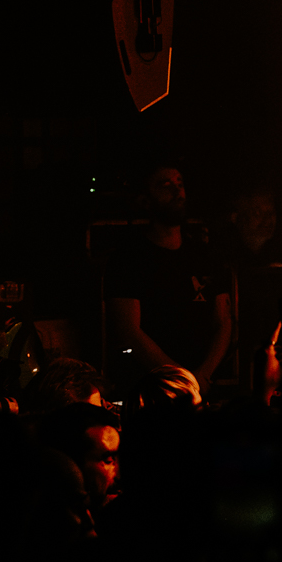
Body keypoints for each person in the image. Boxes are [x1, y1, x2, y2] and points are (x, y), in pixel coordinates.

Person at [105, 165, 234, 396]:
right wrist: (182, 378)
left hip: (205, 382)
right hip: (152, 389)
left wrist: (203, 374)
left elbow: (224, 322)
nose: (177, 191)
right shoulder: (128, 259)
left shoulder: (207, 256)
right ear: (145, 201)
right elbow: (129, 330)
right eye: (166, 185)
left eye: (179, 183)